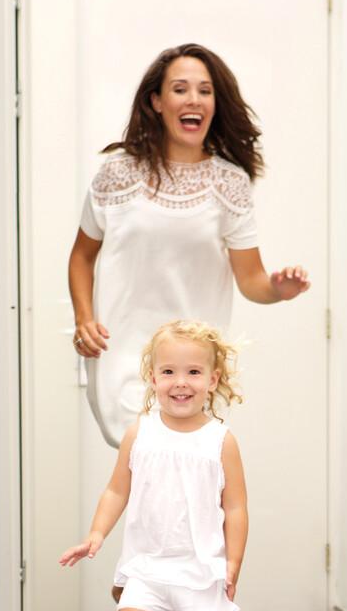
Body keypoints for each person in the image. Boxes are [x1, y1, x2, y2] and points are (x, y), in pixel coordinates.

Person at [68, 41, 310, 448]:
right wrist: (83, 319)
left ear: (215, 104)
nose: (193, 99)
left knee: (186, 469)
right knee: (143, 464)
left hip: (193, 364)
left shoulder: (229, 183)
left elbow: (251, 279)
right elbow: (81, 255)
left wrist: (278, 289)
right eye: (179, 89)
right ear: (156, 101)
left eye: (205, 90)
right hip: (122, 355)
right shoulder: (117, 173)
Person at [59, 320, 247, 611]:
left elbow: (236, 507)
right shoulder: (139, 433)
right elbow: (116, 491)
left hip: (200, 565)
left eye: (194, 372)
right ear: (152, 377)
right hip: (148, 562)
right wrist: (96, 534)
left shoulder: (220, 441)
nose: (181, 382)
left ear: (213, 380)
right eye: (169, 372)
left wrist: (233, 562)